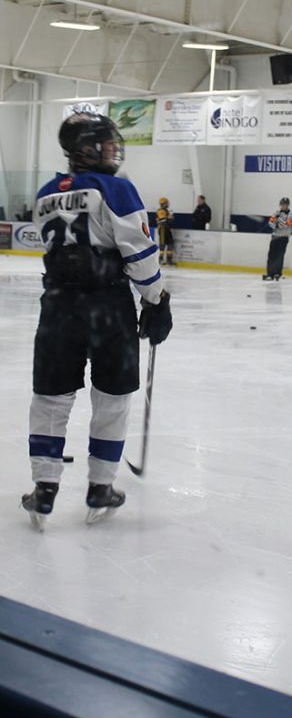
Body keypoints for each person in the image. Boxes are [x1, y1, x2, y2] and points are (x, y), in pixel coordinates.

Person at [21, 103, 172, 529]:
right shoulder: (116, 189)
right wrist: (156, 299)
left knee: (50, 397)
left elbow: (47, 247)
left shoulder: (45, 192)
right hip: (107, 307)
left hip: (57, 308)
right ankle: (100, 486)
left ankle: (45, 488)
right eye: (105, 144)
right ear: (86, 149)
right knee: (111, 397)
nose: (112, 151)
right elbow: (139, 254)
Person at [263, 197, 292, 281]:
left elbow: (287, 225)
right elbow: (270, 223)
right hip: (275, 236)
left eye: (286, 204)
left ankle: (278, 273)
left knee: (280, 256)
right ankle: (270, 273)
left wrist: (278, 221)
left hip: (284, 237)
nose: (284, 206)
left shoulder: (290, 214)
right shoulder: (276, 213)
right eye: (283, 204)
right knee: (271, 255)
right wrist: (276, 224)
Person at [155, 196, 175, 265]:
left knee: (170, 244)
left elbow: (168, 221)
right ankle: (160, 259)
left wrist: (170, 218)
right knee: (162, 245)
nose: (167, 204)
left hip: (167, 229)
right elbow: (163, 221)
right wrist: (169, 218)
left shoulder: (166, 211)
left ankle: (169, 260)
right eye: (166, 203)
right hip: (163, 230)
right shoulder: (161, 211)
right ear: (163, 204)